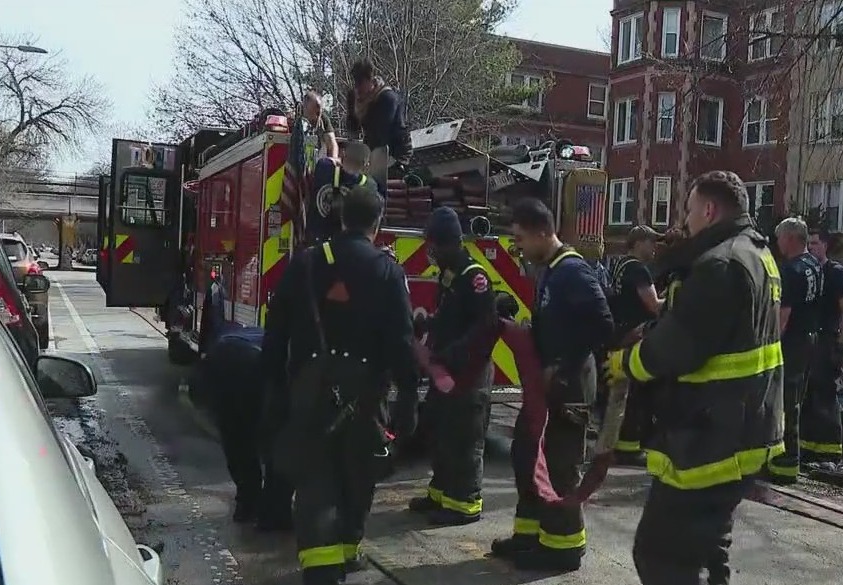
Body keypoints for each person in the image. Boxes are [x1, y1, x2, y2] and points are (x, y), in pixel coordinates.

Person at [604, 171, 784, 585]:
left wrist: (627, 362)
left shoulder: (720, 264)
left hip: (710, 440)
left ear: (709, 210)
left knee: (659, 556)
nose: (684, 221)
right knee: (707, 551)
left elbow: (677, 347)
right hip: (744, 430)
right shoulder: (758, 254)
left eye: (688, 210)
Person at [260, 185, 421, 585]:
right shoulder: (388, 271)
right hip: (368, 395)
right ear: (378, 224)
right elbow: (403, 342)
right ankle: (348, 551)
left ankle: (321, 567)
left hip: (310, 388)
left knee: (316, 476)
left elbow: (275, 329)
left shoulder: (306, 263)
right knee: (359, 471)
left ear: (341, 218)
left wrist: (275, 388)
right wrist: (408, 399)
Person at [490, 197, 613, 572]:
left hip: (569, 388)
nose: (519, 246)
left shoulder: (573, 272)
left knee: (559, 467)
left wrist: (561, 364)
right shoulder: (550, 270)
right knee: (528, 458)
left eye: (522, 238)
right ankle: (530, 537)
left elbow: (602, 324)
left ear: (544, 233)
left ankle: (563, 548)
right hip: (548, 387)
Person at [407, 207, 497, 526]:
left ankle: (464, 504)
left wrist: (452, 354)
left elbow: (484, 327)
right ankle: (441, 492)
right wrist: (426, 324)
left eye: (434, 245)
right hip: (445, 372)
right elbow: (449, 318)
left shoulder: (474, 277)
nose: (430, 252)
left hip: (468, 374)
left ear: (449, 243)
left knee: (465, 439)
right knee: (441, 433)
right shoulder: (450, 274)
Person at [198, 324, 293, 530]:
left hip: (222, 358)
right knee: (273, 442)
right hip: (248, 364)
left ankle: (248, 504)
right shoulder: (292, 351)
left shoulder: (255, 336)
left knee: (236, 439)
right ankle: (271, 513)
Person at [765, 217, 823, 485]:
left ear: (790, 238)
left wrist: (770, 345)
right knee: (796, 400)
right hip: (810, 339)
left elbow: (783, 317)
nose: (777, 244)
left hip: (791, 343)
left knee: (784, 402)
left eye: (779, 239)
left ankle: (785, 461)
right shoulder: (815, 266)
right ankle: (792, 458)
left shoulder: (791, 271)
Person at [607, 225, 665, 467]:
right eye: (651, 242)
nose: (655, 248)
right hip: (636, 335)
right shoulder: (638, 270)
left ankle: (619, 442)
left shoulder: (619, 265)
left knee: (623, 391)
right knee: (638, 393)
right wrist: (676, 295)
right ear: (638, 242)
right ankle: (630, 447)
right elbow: (654, 306)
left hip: (620, 334)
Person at [806, 229, 843, 456]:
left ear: (825, 245)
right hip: (809, 342)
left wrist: (840, 344)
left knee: (826, 398)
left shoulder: (836, 272)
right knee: (809, 398)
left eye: (815, 243)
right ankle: (808, 451)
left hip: (827, 341)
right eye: (808, 244)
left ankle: (829, 453)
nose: (811, 248)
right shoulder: (809, 274)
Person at [345, 59, 413, 172]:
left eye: (360, 83)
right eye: (355, 83)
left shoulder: (387, 98)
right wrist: (352, 110)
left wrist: (367, 161)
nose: (357, 88)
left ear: (370, 80)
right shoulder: (358, 100)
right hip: (374, 153)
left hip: (396, 154)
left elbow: (381, 134)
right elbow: (353, 131)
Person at [306, 141, 379, 244]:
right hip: (345, 246)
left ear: (343, 155)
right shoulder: (369, 186)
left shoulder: (323, 167)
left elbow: (328, 160)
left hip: (315, 242)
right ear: (366, 165)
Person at [296, 91, 339, 171]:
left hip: (319, 166)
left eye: (318, 112)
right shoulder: (295, 120)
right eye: (313, 111)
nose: (317, 116)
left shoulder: (323, 120)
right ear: (304, 107)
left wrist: (332, 162)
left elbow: (332, 144)